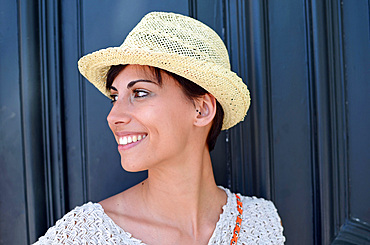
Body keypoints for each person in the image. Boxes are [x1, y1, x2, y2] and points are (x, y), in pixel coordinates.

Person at [34, 12, 285, 244]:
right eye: (115, 97)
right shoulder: (86, 235)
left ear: (202, 110)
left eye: (140, 93)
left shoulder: (260, 223)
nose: (113, 116)